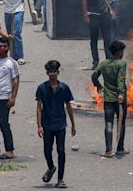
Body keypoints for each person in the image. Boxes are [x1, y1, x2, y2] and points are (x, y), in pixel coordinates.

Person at [36, 60, 76, 188]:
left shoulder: (64, 88)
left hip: (60, 124)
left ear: (58, 73)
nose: (52, 74)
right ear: (47, 73)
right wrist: (39, 125)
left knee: (61, 151)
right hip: (47, 124)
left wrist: (73, 124)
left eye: (55, 72)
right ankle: (51, 167)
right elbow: (38, 107)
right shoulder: (42, 88)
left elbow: (68, 106)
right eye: (50, 72)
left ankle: (60, 179)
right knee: (47, 150)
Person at [91, 41, 129, 157]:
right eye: (122, 51)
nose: (123, 53)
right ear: (118, 52)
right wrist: (121, 94)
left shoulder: (103, 63)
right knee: (121, 123)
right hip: (119, 100)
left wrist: (97, 84)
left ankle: (108, 150)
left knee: (108, 123)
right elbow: (120, 79)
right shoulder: (121, 64)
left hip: (108, 99)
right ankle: (120, 148)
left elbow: (93, 75)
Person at [82, 0, 115, 70]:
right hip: (93, 15)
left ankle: (108, 60)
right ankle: (95, 61)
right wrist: (86, 14)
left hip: (104, 14)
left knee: (107, 39)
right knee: (94, 39)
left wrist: (110, 9)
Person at [0, 0, 32, 65]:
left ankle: (20, 56)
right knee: (9, 34)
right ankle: (12, 55)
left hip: (19, 8)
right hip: (8, 9)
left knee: (16, 32)